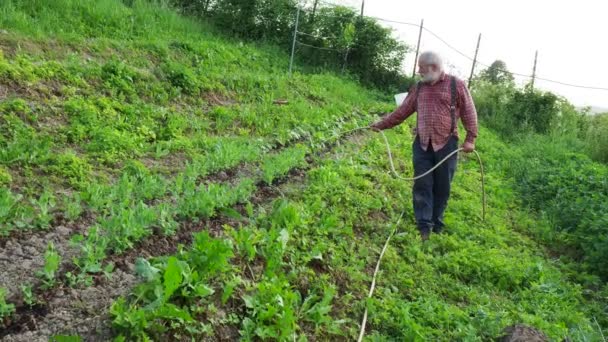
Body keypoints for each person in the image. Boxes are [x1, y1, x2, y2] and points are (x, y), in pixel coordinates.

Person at [370, 51, 478, 241]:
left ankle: (436, 223)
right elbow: (402, 111)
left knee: (442, 186)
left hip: (447, 144)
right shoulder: (419, 88)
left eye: (421, 68)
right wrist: (381, 125)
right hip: (422, 143)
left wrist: (470, 138)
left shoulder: (456, 85)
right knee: (422, 184)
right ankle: (424, 226)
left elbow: (470, 112)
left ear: (433, 68)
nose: (418, 71)